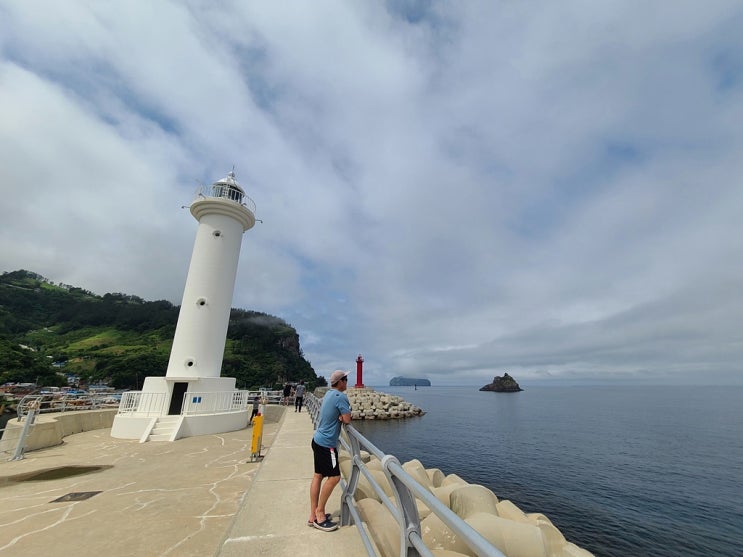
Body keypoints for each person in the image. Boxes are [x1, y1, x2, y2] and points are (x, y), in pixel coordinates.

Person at [309, 370, 351, 532]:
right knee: (334, 477)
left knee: (318, 476)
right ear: (340, 382)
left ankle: (312, 515)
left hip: (317, 440)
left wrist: (340, 416)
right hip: (328, 445)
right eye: (345, 379)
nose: (347, 382)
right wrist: (343, 416)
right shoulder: (341, 397)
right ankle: (319, 514)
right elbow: (347, 419)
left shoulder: (328, 394)